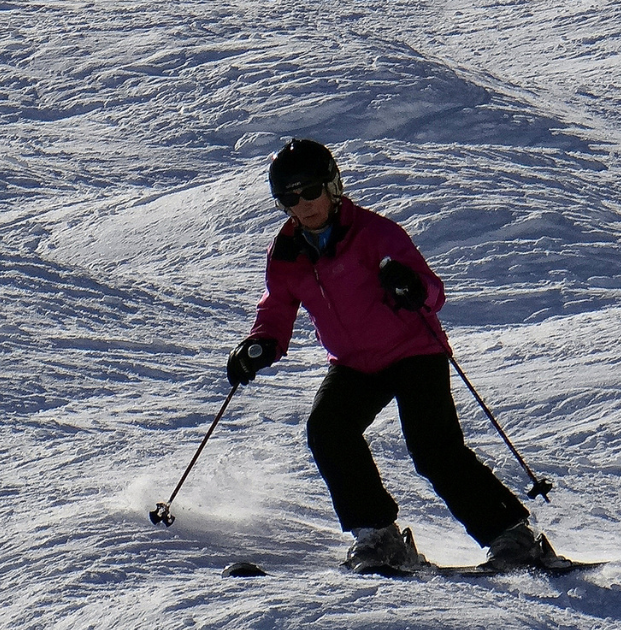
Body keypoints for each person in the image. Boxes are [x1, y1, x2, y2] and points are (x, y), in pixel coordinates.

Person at [226, 138, 546, 573]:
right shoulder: (285, 254)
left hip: (413, 350)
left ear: (333, 186)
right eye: (288, 197)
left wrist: (411, 287)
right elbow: (277, 309)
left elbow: (433, 292)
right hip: (354, 363)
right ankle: (378, 537)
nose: (302, 205)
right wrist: (260, 344)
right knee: (328, 430)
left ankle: (513, 537)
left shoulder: (375, 233)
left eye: (310, 191)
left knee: (433, 449)